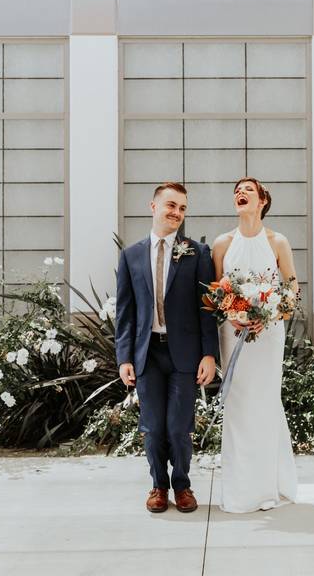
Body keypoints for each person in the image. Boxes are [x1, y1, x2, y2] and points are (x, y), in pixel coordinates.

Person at [212, 177, 314, 513]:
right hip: (233, 333)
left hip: (269, 334)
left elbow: (292, 287)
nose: (240, 193)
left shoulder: (278, 241)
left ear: (262, 201)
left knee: (265, 403)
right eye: (236, 191)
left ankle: (269, 485)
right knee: (239, 405)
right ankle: (241, 490)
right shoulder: (222, 243)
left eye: (248, 190)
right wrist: (231, 312)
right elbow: (217, 289)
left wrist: (274, 313)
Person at [115, 182, 219, 514]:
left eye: (183, 208)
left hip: (185, 354)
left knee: (178, 426)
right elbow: (126, 312)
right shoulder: (131, 255)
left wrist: (209, 354)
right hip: (147, 354)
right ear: (154, 206)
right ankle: (159, 485)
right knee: (152, 427)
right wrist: (124, 358)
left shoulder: (196, 253)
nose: (176, 213)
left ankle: (183, 485)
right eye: (171, 206)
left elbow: (207, 308)